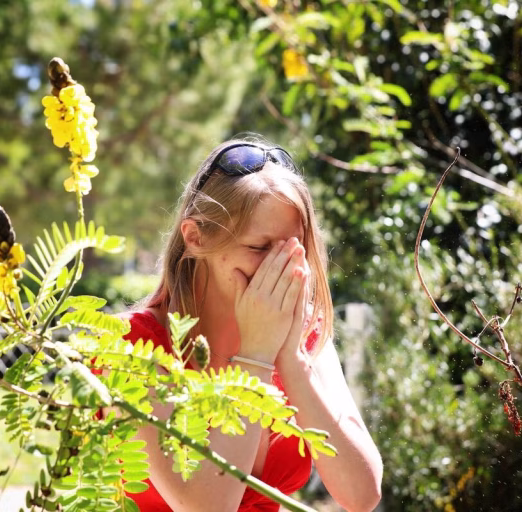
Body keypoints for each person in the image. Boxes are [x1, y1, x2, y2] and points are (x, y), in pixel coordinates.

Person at [117, 136, 383, 511]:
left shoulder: (303, 333)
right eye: (259, 248)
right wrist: (255, 358)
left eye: (293, 247)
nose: (280, 267)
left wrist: (292, 360)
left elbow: (362, 495)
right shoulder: (131, 348)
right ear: (195, 238)